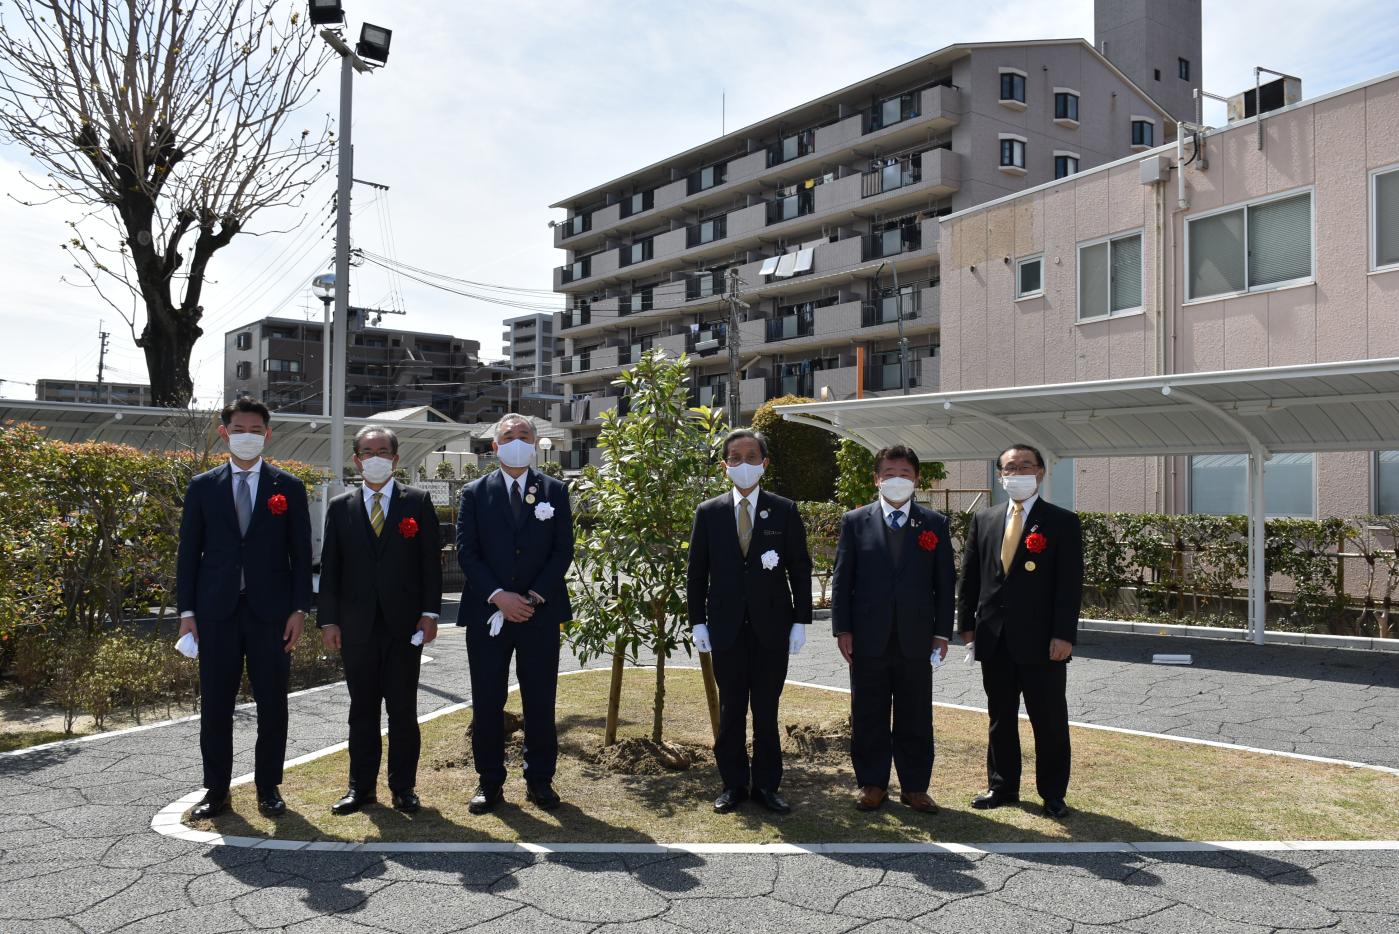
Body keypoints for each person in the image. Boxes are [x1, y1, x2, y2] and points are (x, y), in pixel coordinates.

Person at [176, 397, 312, 819]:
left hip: (271, 614)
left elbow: (301, 554)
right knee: (216, 704)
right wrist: (187, 614)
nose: (247, 436)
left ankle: (268, 786)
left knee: (273, 702)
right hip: (215, 613)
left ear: (267, 434)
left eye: (256, 430)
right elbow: (188, 554)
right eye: (239, 429)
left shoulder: (287, 487)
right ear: (224, 432)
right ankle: (216, 790)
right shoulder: (203, 486)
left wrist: (299, 610)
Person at [687, 429, 812, 815]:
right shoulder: (709, 512)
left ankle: (767, 786)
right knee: (732, 710)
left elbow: (800, 569)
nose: (744, 464)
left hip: (772, 628)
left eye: (752, 456)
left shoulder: (784, 510)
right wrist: (698, 622)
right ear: (725, 465)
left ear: (765, 463)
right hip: (725, 628)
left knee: (766, 709)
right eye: (735, 458)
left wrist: (801, 621)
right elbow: (696, 573)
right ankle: (733, 784)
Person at [318, 426, 442, 815]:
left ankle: (403, 787)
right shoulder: (341, 507)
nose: (375, 457)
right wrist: (329, 621)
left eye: (383, 450)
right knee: (362, 710)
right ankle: (361, 788)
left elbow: (430, 564)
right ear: (356, 460)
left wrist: (429, 613)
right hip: (356, 627)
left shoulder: (417, 502)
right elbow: (331, 569)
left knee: (403, 710)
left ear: (395, 458)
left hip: (405, 626)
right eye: (367, 451)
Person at [958, 443, 1083, 819]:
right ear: (1000, 475)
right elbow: (971, 578)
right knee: (1000, 717)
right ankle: (1002, 786)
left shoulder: (1062, 521)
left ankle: (1053, 793)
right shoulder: (985, 519)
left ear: (1041, 472)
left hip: (1044, 641)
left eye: (1025, 466)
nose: (1017, 473)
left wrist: (1064, 635)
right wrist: (966, 627)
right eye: (1010, 468)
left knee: (1050, 720)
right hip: (993, 638)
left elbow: (1069, 585)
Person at [456, 414, 573, 813]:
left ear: (536, 442)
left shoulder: (554, 490)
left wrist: (534, 596)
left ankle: (540, 780)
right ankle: (489, 782)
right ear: (495, 446)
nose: (517, 441)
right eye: (509, 436)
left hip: (540, 612)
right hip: (488, 613)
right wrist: (499, 596)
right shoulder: (475, 492)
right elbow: (467, 553)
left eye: (525, 435)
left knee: (540, 700)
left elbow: (563, 550)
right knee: (487, 701)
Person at [831, 444, 955, 813]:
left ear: (916, 479)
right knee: (868, 712)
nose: (896, 480)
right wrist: (843, 629)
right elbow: (842, 580)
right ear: (876, 479)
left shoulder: (934, 524)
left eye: (904, 474)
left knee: (916, 714)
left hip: (917, 637)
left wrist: (941, 633)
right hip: (867, 636)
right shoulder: (855, 522)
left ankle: (916, 787)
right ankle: (872, 784)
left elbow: (944, 584)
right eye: (888, 474)